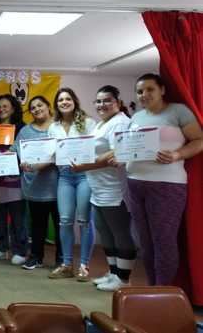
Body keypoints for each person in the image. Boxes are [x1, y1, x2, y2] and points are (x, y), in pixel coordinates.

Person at [124, 73, 203, 285]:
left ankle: (163, 293)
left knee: (163, 241)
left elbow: (198, 141)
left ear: (162, 90)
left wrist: (177, 155)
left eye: (150, 89)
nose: (144, 94)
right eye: (140, 91)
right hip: (135, 183)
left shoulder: (178, 111)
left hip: (167, 185)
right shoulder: (137, 117)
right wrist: (121, 156)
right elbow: (130, 147)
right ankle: (152, 289)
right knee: (145, 243)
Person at [69, 85, 136, 291]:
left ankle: (123, 279)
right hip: (98, 187)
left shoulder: (121, 122)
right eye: (98, 101)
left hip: (115, 189)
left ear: (118, 102)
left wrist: (84, 166)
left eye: (107, 100)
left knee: (120, 232)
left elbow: (114, 155)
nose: (102, 104)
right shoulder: (100, 125)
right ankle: (113, 273)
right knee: (105, 233)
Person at [47, 88, 97, 281]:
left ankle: (84, 266)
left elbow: (94, 147)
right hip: (64, 176)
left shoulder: (88, 122)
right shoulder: (54, 126)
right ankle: (67, 264)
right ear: (56, 105)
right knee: (65, 220)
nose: (64, 102)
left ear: (74, 101)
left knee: (84, 221)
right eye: (60, 100)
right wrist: (33, 160)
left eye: (68, 99)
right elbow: (51, 153)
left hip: (84, 175)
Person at [13, 96, 62, 270]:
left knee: (59, 225)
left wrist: (46, 162)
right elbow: (16, 153)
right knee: (37, 225)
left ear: (49, 107)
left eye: (40, 105)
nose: (36, 109)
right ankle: (36, 257)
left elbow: (64, 152)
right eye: (32, 108)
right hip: (33, 186)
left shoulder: (59, 128)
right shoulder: (25, 131)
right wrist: (20, 162)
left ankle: (61, 260)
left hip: (57, 186)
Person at [0, 95, 27, 265]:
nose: (1, 109)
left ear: (14, 108)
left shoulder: (22, 128)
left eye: (5, 106)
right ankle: (0, 248)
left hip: (14, 179)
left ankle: (20, 250)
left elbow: (25, 152)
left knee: (17, 218)